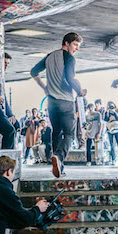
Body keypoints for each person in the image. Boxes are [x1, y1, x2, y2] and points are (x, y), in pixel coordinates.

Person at [30, 32, 86, 177]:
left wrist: (45, 88)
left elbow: (33, 71)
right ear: (66, 43)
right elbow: (70, 78)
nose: (76, 49)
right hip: (66, 102)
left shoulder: (49, 56)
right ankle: (59, 157)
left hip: (52, 103)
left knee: (56, 133)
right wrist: (80, 91)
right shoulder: (69, 58)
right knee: (69, 134)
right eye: (75, 45)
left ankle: (58, 167)